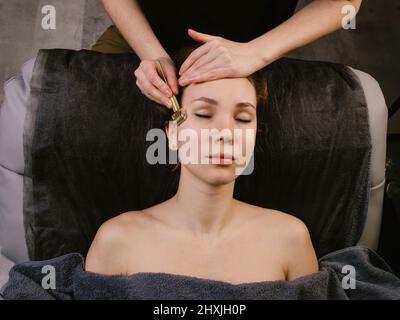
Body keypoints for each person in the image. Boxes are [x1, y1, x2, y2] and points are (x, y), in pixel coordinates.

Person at [85, 44, 319, 284]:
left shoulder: (291, 240)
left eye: (242, 118)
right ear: (173, 133)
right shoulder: (117, 241)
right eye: (204, 114)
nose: (226, 133)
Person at [93, 0, 362, 108]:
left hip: (253, 50)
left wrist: (256, 53)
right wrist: (150, 52)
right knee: (87, 110)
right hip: (143, 33)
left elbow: (344, 2)